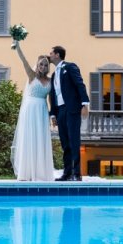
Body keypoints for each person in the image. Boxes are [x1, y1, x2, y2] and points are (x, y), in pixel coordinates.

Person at [11, 41, 55, 181]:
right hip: (30, 110)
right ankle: (26, 172)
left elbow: (50, 99)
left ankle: (41, 172)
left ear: (48, 67)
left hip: (42, 110)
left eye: (46, 65)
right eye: (41, 64)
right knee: (30, 138)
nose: (43, 66)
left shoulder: (50, 80)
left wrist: (52, 114)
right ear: (37, 65)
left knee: (40, 139)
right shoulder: (31, 75)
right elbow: (23, 60)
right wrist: (17, 45)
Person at [48, 45, 89, 181]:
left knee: (74, 141)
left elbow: (79, 84)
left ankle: (77, 173)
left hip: (72, 109)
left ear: (57, 55)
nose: (50, 55)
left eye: (51, 53)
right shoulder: (54, 74)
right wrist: (53, 114)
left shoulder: (70, 67)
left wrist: (84, 104)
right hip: (60, 111)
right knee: (64, 142)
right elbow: (53, 95)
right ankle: (67, 173)